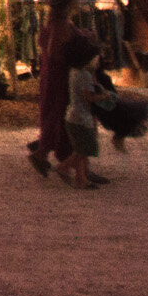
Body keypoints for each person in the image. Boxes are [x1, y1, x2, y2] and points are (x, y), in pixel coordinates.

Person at [24, 0, 83, 178]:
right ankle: (48, 155)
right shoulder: (59, 24)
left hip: (55, 75)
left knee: (57, 114)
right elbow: (55, 51)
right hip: (60, 76)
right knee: (60, 115)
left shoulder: (55, 22)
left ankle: (48, 154)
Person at [61, 33, 109, 188]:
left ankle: (81, 179)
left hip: (72, 115)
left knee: (80, 149)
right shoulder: (85, 76)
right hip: (82, 118)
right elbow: (89, 97)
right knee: (84, 150)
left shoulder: (74, 72)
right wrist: (103, 96)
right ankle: (64, 167)